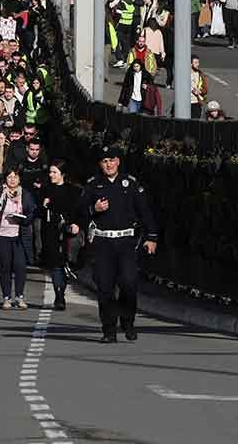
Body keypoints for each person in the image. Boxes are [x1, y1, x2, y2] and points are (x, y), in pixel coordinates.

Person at [80, 145, 157, 343]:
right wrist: (93, 208)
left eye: (112, 160)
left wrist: (152, 237)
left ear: (118, 162)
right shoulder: (93, 184)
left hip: (125, 242)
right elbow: (79, 211)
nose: (109, 164)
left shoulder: (129, 183)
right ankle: (109, 330)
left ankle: (128, 321)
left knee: (129, 283)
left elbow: (145, 211)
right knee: (105, 287)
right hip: (102, 242)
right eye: (105, 161)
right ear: (100, 164)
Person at [0, 167, 37, 310]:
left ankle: (20, 297)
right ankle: (6, 298)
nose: (12, 179)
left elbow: (32, 211)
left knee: (20, 267)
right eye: (9, 177)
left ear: (20, 179)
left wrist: (24, 219)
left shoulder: (25, 194)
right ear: (5, 179)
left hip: (19, 236)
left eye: (15, 177)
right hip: (2, 235)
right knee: (5, 267)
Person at [40, 160, 82, 310]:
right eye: (50, 172)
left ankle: (62, 288)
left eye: (54, 172)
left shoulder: (74, 191)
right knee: (55, 263)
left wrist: (76, 224)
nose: (51, 175)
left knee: (66, 261)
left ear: (62, 174)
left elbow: (78, 210)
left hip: (68, 231)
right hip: (51, 230)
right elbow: (39, 212)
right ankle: (59, 295)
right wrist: (43, 205)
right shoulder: (46, 189)